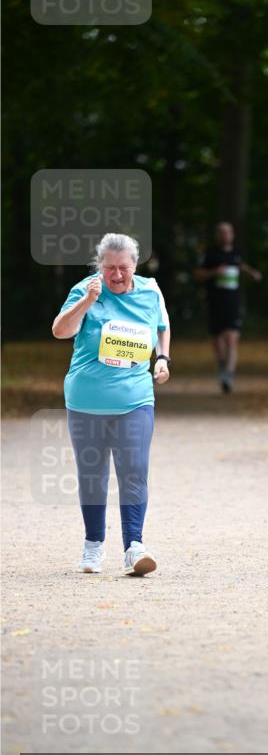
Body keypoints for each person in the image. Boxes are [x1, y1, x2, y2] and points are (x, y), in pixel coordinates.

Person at [52, 233, 170, 575]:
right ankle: (93, 546)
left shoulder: (150, 290)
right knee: (93, 474)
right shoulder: (85, 289)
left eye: (123, 268)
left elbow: (162, 326)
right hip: (86, 399)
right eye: (109, 268)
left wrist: (162, 358)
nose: (116, 275)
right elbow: (60, 330)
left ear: (135, 265)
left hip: (135, 398)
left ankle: (135, 547)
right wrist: (87, 301)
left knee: (134, 469)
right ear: (99, 266)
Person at [195, 221, 262, 393]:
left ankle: (228, 375)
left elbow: (240, 265)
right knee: (218, 340)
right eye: (222, 232)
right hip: (214, 302)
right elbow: (198, 273)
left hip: (233, 302)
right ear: (217, 235)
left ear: (232, 235)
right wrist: (214, 272)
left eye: (228, 232)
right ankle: (222, 366)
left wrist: (252, 273)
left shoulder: (237, 252)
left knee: (232, 338)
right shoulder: (210, 253)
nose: (225, 235)